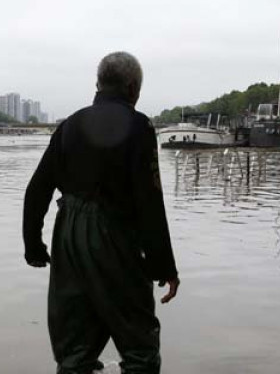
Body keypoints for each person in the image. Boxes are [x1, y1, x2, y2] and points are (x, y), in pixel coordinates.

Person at [22, 52, 180, 374]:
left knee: (75, 347)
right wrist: (164, 266)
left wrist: (34, 246)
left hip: (67, 235)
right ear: (133, 87)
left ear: (98, 84)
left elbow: (37, 189)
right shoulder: (139, 126)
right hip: (113, 236)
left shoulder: (69, 125)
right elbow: (149, 201)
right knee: (139, 345)